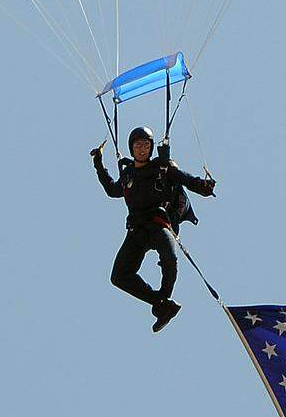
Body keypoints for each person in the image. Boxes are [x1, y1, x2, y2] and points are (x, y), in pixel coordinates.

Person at [90, 126, 217, 332]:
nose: (142, 149)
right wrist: (98, 164)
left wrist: (204, 186)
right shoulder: (128, 175)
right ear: (131, 149)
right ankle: (162, 304)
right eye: (138, 145)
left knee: (170, 257)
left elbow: (185, 179)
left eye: (146, 145)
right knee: (119, 275)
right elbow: (112, 190)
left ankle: (164, 299)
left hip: (158, 223)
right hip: (137, 230)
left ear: (151, 148)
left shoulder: (162, 168)